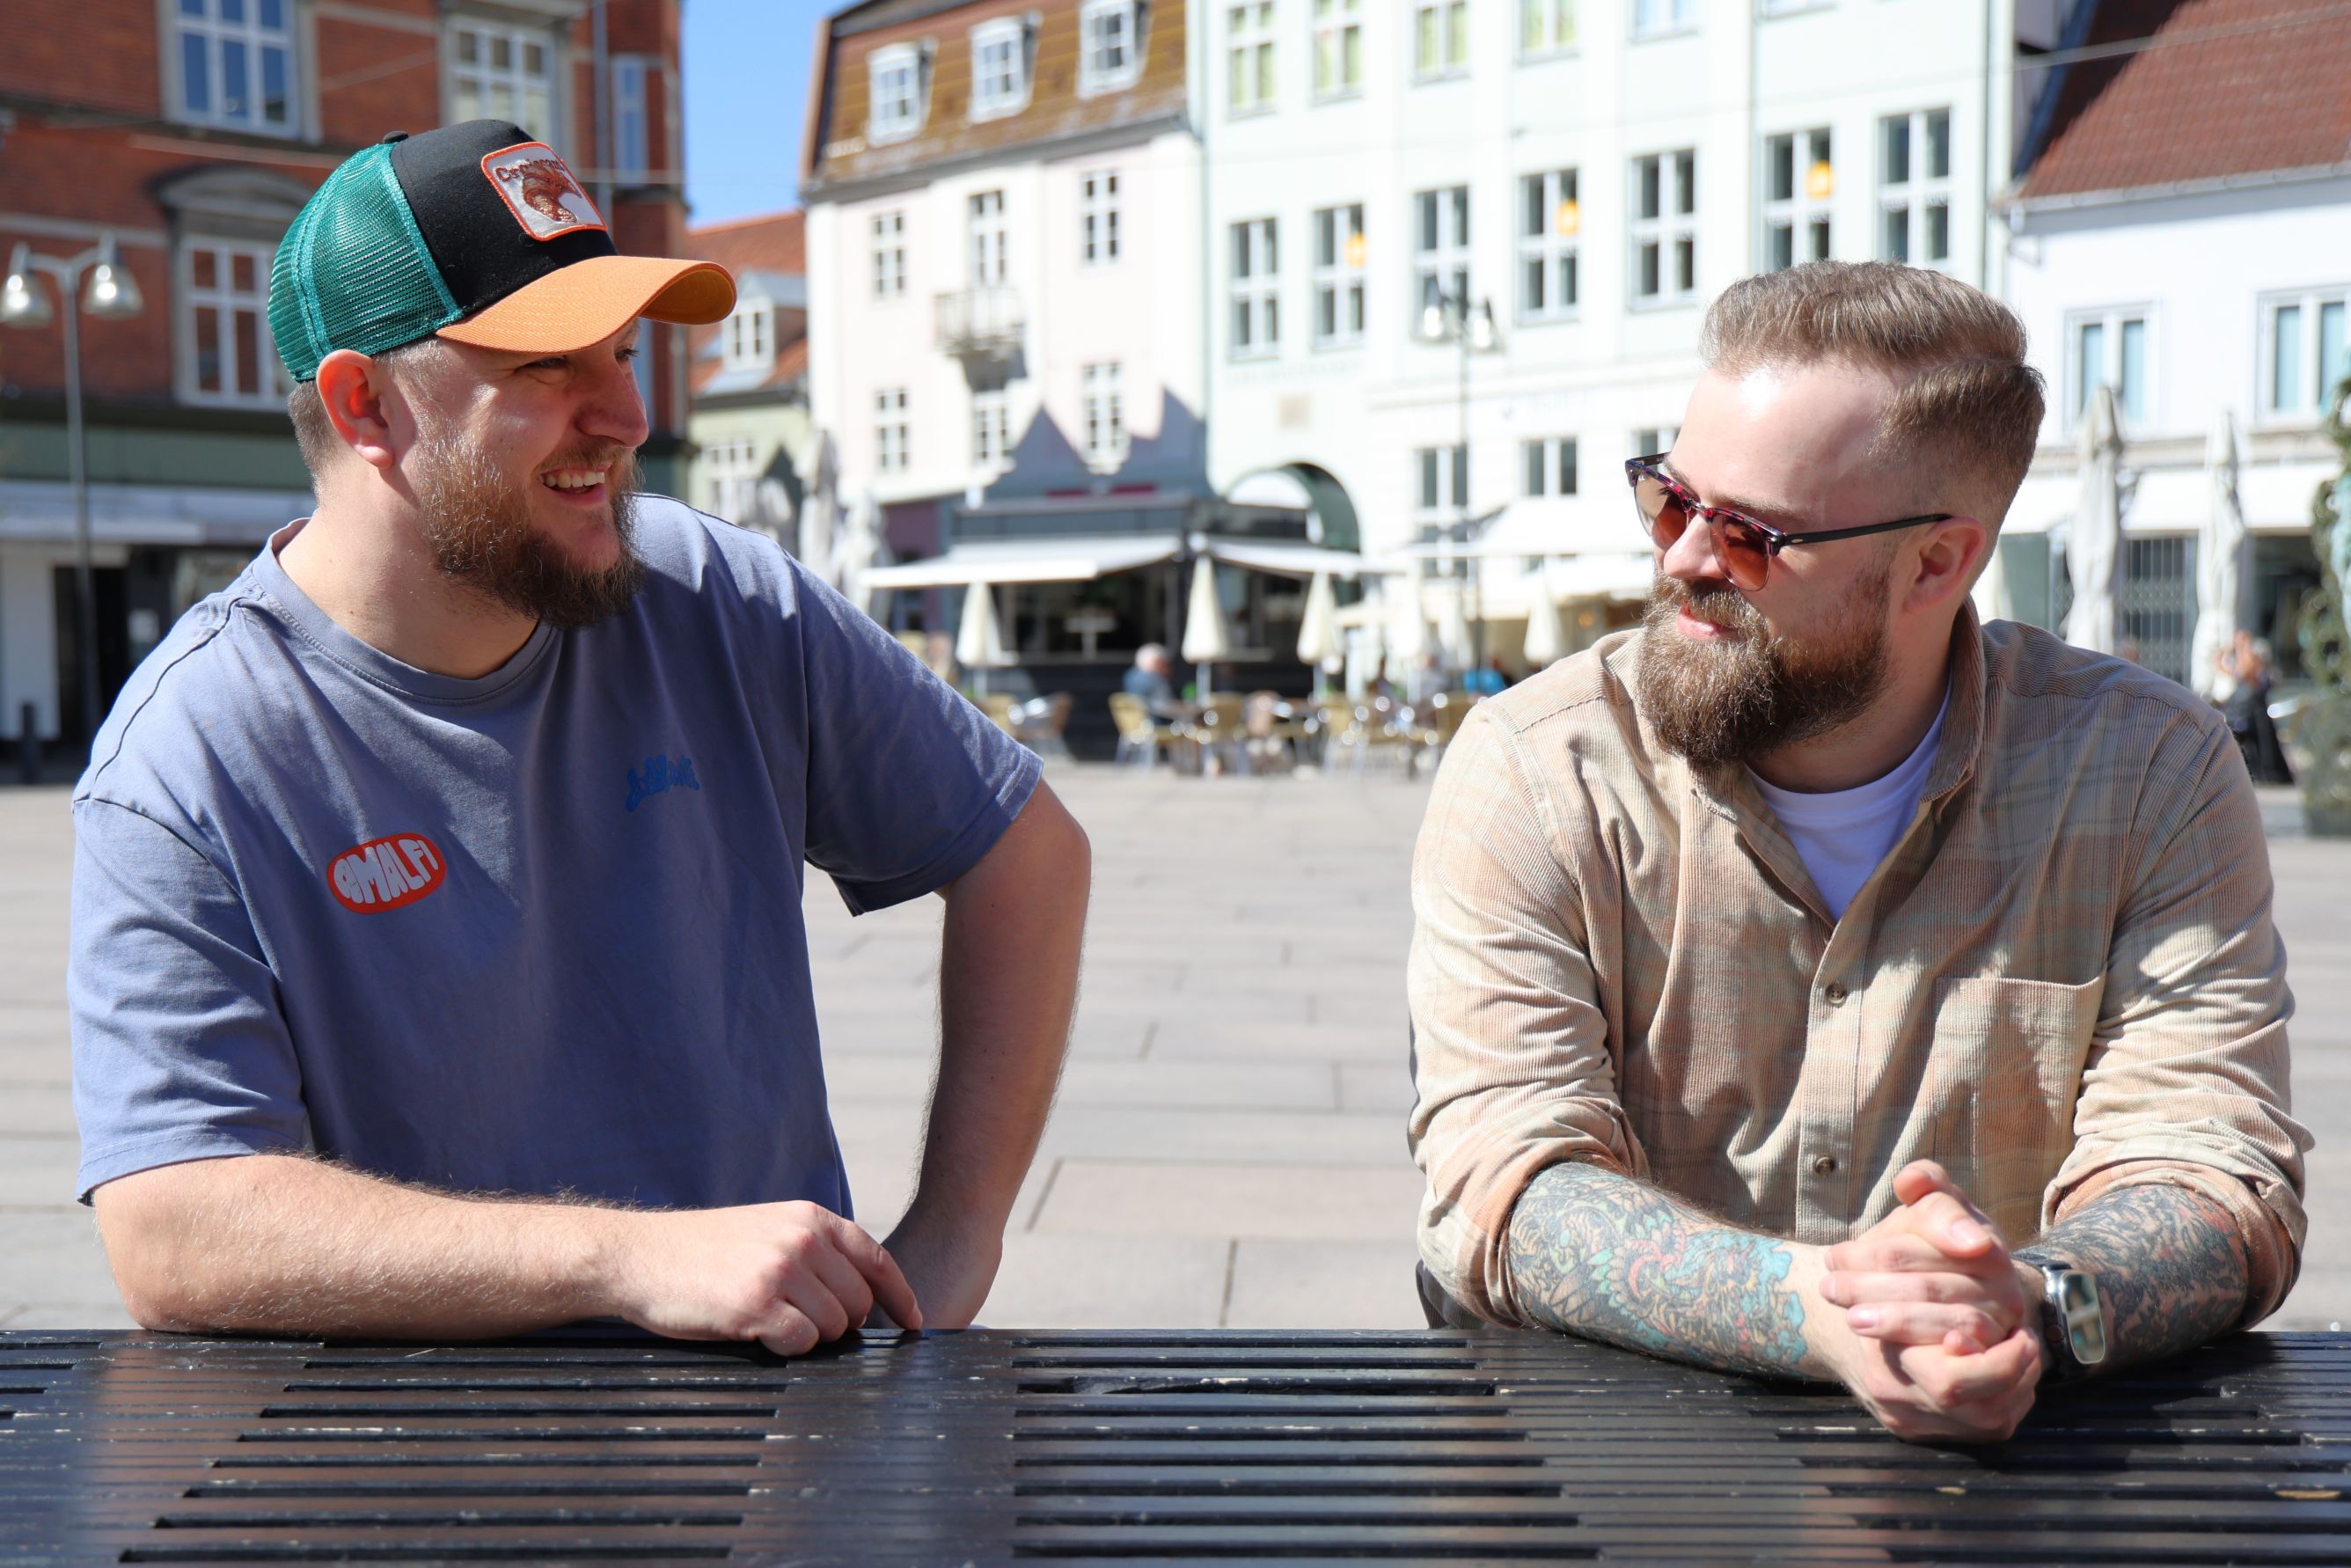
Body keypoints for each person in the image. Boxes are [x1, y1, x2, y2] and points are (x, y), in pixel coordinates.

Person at [67, 121, 1090, 1355]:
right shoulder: (193, 752)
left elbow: (1028, 851)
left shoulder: (720, 596)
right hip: (403, 1470)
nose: (626, 411)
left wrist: (958, 1235)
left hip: (781, 1443)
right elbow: (174, 1226)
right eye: (550, 363)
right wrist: (628, 1257)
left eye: (620, 348)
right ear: (367, 403)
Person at [1408, 261, 2305, 1445]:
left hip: (2009, 1485)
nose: (1681, 556)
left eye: (1747, 532)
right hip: (1600, 1460)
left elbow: (2212, 1169)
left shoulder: (2147, 771)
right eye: (1670, 498)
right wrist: (1819, 1311)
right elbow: (1504, 1188)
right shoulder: (1537, 766)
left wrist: (2037, 1298)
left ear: (1937, 563)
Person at [2222, 631, 2295, 785]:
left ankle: (2268, 775)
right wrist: (2230, 648)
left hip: (2256, 716)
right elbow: (2224, 666)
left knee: (2265, 751)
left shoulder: (2255, 660)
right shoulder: (2242, 661)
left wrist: (2243, 647)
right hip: (2243, 714)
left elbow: (2247, 671)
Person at [1124, 643, 1179, 714]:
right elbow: (1164, 706)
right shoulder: (1154, 678)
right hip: (1155, 722)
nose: (1168, 669)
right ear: (1157, 662)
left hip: (1135, 721)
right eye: (1165, 664)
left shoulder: (1130, 676)